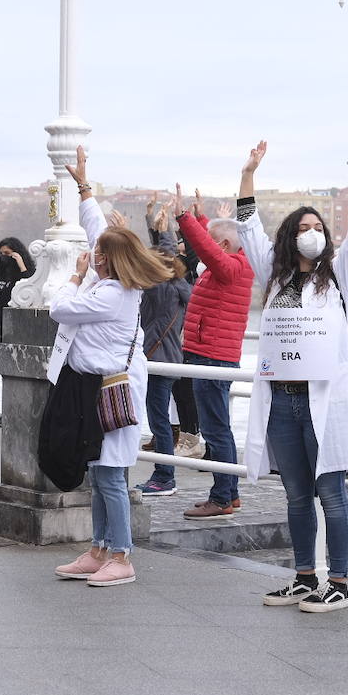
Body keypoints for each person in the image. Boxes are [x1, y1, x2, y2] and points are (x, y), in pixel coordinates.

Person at [234, 140, 348, 614]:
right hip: (282, 401)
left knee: (331, 493)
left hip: (323, 401)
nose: (311, 233)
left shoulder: (340, 275)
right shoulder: (274, 276)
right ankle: (304, 576)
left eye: (318, 227)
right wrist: (248, 174)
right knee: (297, 494)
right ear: (289, 237)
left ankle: (337, 581)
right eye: (303, 228)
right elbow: (248, 228)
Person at [51, 146, 172, 587]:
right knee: (100, 470)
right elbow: (95, 228)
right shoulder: (116, 282)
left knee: (111, 474)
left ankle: (121, 555)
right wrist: (84, 187)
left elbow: (60, 310)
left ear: (110, 260)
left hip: (112, 389)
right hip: (98, 386)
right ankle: (100, 548)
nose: (93, 255)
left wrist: (74, 276)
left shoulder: (108, 294)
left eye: (99, 254)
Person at [173, 184, 256, 520]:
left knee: (216, 428)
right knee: (218, 425)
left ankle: (222, 497)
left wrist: (184, 218)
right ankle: (229, 494)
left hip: (213, 356)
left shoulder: (232, 266)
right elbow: (214, 244)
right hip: (210, 353)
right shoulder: (233, 261)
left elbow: (209, 250)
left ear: (224, 245)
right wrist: (204, 217)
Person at [134, 204, 193, 496]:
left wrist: (161, 230)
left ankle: (164, 476)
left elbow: (163, 259)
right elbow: (166, 259)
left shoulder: (160, 289)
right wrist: (159, 229)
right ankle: (163, 474)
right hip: (167, 357)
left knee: (158, 419)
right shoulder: (177, 285)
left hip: (157, 359)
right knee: (160, 418)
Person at [0, 236, 34, 427]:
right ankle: (7, 413)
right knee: (3, 372)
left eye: (8, 254)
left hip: (13, 329)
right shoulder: (0, 273)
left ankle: (13, 414)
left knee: (13, 372)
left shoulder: (24, 271)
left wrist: (20, 264)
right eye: (1, 254)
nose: (4, 257)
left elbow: (29, 287)